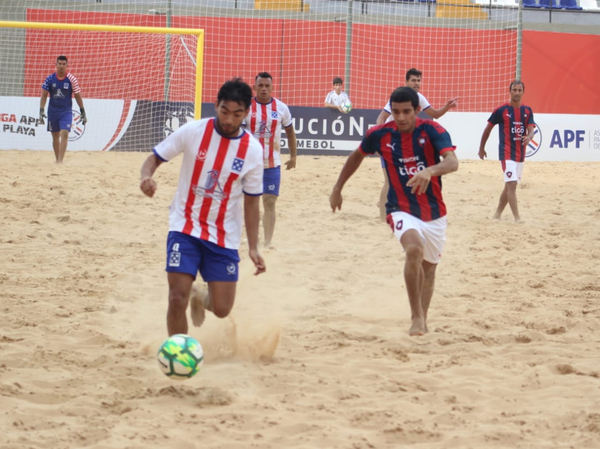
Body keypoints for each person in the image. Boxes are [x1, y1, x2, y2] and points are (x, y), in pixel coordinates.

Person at [140, 78, 266, 337]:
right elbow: (154, 158)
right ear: (215, 105)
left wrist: (252, 246)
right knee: (176, 298)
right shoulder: (193, 131)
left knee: (222, 308)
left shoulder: (252, 150)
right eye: (224, 111)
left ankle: (199, 296)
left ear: (246, 113)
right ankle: (180, 356)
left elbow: (252, 202)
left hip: (223, 236)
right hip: (184, 225)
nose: (229, 120)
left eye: (237, 114)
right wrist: (146, 177)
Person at [330, 87, 459, 337]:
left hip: (434, 211)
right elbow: (356, 156)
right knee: (413, 250)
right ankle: (416, 318)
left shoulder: (432, 130)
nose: (400, 118)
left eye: (406, 112)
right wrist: (337, 188)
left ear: (417, 111)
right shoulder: (380, 134)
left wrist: (429, 171)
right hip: (399, 208)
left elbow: (452, 162)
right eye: (396, 112)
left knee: (430, 268)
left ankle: (423, 316)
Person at [376, 68, 458, 220]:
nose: (417, 83)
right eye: (413, 80)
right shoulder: (398, 96)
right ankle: (382, 217)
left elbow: (435, 114)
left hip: (407, 142)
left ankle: (402, 210)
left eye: (419, 80)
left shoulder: (419, 97)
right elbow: (380, 118)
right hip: (391, 142)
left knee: (409, 179)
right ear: (406, 81)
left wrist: (447, 107)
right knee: (390, 181)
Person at [244, 72, 298, 248]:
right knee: (250, 202)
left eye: (267, 86)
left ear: (272, 88)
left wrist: (293, 157)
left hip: (272, 163)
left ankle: (267, 242)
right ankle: (252, 239)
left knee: (269, 201)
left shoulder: (281, 108)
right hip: (249, 164)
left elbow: (290, 132)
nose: (264, 89)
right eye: (261, 85)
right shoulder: (246, 107)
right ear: (255, 87)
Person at [478, 80, 535, 223]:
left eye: (519, 90)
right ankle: (517, 218)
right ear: (510, 91)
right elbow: (487, 129)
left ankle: (497, 214)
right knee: (512, 185)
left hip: (520, 155)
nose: (516, 93)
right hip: (506, 153)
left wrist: (529, 137)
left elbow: (531, 129)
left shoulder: (527, 111)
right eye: (514, 90)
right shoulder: (501, 110)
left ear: (523, 92)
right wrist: (481, 148)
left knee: (508, 186)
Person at [39, 56, 87, 164]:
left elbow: (78, 95)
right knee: (55, 135)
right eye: (59, 64)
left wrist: (83, 111)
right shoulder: (50, 79)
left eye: (63, 64)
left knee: (64, 133)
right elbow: (44, 95)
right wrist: (41, 111)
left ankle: (60, 161)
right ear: (56, 65)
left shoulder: (71, 79)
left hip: (66, 111)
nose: (61, 66)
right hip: (52, 111)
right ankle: (57, 159)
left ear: (67, 65)